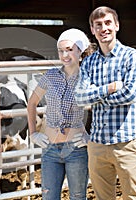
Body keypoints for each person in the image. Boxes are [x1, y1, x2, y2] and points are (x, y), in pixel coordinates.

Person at [74, 6, 136, 200]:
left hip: (127, 142)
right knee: (102, 197)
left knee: (133, 197)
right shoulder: (88, 63)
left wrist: (95, 97)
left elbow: (131, 95)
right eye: (98, 25)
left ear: (117, 25)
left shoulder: (132, 56)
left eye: (107, 23)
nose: (103, 28)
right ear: (92, 29)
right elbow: (80, 98)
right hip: (97, 144)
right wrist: (109, 88)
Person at [27, 28, 92, 200]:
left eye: (70, 49)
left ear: (81, 50)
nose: (64, 55)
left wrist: (91, 137)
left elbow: (101, 109)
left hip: (76, 150)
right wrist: (33, 133)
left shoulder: (88, 78)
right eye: (61, 50)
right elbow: (32, 103)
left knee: (78, 197)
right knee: (49, 197)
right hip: (50, 149)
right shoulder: (50, 76)